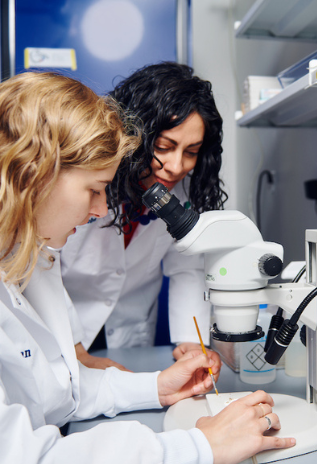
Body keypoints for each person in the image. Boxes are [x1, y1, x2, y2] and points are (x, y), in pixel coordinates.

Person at [0, 71, 295, 464]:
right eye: (94, 190)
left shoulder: (18, 231)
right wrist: (198, 447)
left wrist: (155, 386)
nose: (99, 210)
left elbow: (54, 386)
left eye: (190, 152)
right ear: (33, 171)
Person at [60, 62, 227, 371]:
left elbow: (187, 268)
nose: (176, 166)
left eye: (191, 152)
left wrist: (192, 343)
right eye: (164, 147)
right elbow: (44, 265)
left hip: (129, 333)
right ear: (135, 134)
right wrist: (72, 345)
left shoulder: (183, 191)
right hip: (66, 328)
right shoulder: (87, 181)